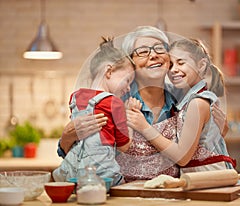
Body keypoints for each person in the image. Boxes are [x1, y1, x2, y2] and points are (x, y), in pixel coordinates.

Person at [57, 26, 229, 182]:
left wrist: (217, 130)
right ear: (131, 62)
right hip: (122, 196)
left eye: (160, 49)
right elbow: (82, 151)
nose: (153, 55)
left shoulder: (184, 97)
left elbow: (206, 140)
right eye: (143, 51)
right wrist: (67, 137)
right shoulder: (114, 99)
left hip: (172, 196)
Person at [126, 38, 236, 174]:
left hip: (210, 176)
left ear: (201, 65)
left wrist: (144, 127)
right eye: (170, 65)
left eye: (181, 63)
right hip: (199, 177)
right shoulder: (184, 98)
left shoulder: (197, 103)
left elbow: (182, 157)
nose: (174, 70)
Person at [53, 37, 136, 186]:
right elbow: (124, 146)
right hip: (101, 174)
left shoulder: (75, 97)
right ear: (109, 71)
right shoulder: (115, 103)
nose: (128, 88)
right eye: (127, 80)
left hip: (72, 174)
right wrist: (128, 114)